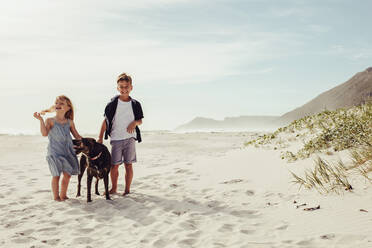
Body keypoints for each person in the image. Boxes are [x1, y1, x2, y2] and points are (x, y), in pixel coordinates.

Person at [97, 73, 143, 196]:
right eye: (121, 87)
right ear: (117, 88)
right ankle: (114, 188)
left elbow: (140, 120)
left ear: (131, 87)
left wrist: (134, 123)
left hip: (130, 138)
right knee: (114, 165)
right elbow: (105, 121)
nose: (124, 89)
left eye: (126, 86)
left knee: (128, 164)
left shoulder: (135, 104)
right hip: (116, 138)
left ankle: (127, 189)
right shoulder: (112, 104)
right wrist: (100, 137)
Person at [33, 95, 82, 201]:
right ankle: (56, 197)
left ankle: (63, 195)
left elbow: (77, 136)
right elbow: (44, 133)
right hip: (54, 152)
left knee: (67, 175)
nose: (58, 105)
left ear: (68, 107)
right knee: (56, 175)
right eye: (56, 103)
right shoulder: (50, 120)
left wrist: (87, 142)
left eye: (61, 103)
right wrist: (41, 120)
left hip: (67, 152)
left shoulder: (70, 122)